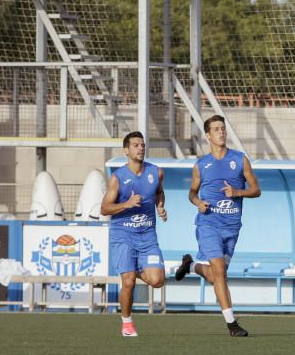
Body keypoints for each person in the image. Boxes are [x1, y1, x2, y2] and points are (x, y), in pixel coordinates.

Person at [174, 115, 260, 337]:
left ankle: (191, 266)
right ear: (208, 135)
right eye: (216, 129)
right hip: (208, 224)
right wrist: (197, 202)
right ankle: (232, 325)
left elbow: (256, 189)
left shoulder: (240, 160)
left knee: (215, 276)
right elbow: (192, 193)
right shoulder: (201, 164)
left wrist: (238, 192)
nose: (221, 132)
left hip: (231, 228)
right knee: (220, 273)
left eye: (223, 128)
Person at [100, 131, 167, 338]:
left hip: (147, 236)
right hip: (123, 235)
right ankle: (127, 324)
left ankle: (132, 268)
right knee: (128, 281)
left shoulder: (156, 172)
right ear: (126, 150)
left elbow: (158, 192)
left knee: (157, 281)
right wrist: (127, 204)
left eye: (143, 145)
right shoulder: (117, 177)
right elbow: (104, 209)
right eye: (136, 145)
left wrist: (160, 207)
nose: (140, 148)